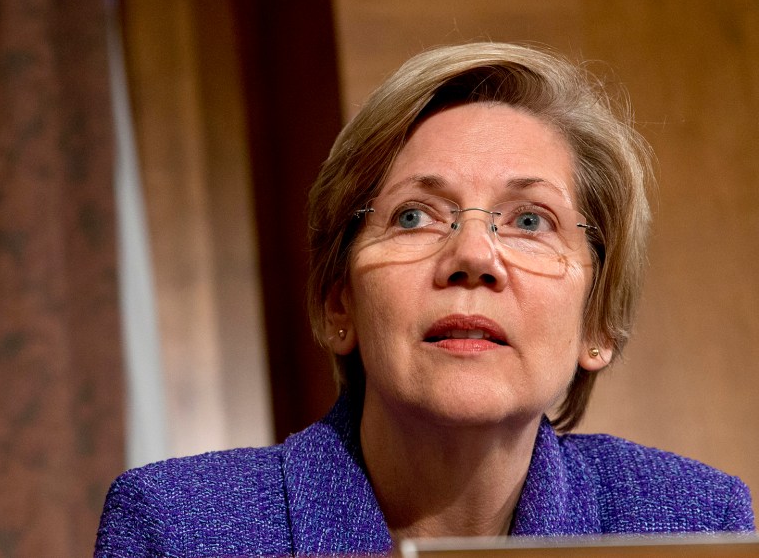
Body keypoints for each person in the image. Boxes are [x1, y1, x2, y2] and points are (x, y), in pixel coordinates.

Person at [94, 42, 755, 556]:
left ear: (599, 319)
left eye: (530, 221)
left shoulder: (691, 523)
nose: (472, 256)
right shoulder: (179, 528)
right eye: (414, 217)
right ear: (338, 304)